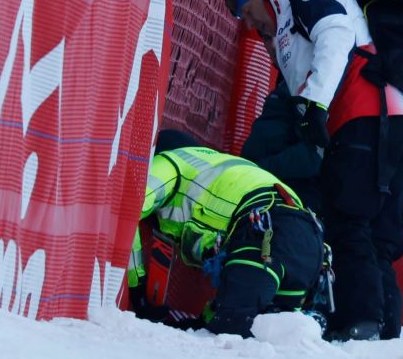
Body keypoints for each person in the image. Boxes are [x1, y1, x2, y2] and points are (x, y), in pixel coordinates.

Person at [224, 0, 403, 340]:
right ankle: (385, 330)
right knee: (377, 234)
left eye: (249, 12)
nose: (251, 26)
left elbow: (335, 32)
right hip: (399, 120)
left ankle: (360, 325)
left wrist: (314, 104)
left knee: (348, 223)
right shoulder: (286, 36)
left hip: (365, 117)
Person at [127, 144, 325, 337]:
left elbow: (127, 210)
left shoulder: (169, 162)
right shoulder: (221, 167)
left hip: (265, 233)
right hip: (308, 239)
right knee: (280, 336)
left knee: (232, 330)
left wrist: (137, 287)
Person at [240, 33, 323, 214]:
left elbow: (313, 155)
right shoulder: (289, 80)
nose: (269, 46)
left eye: (269, 36)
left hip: (284, 200)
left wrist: (258, 171)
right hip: (261, 191)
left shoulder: (313, 87)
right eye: (265, 38)